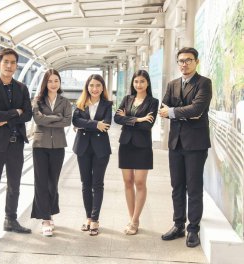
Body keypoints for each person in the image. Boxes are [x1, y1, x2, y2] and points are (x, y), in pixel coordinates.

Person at [159, 47, 212, 248]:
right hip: (176, 143)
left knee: (194, 187)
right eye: (181, 60)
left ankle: (193, 229)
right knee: (177, 186)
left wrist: (173, 111)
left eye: (188, 60)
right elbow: (163, 109)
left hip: (196, 145)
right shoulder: (172, 84)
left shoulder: (204, 83)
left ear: (196, 62)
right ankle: (178, 224)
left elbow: (198, 109)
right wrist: (183, 112)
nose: (184, 64)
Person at [0, 48, 33, 245]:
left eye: (13, 62)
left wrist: (9, 115)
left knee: (14, 186)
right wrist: (16, 112)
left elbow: (28, 115)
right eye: (6, 62)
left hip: (16, 144)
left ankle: (10, 220)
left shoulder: (22, 88)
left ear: (16, 66)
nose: (9, 66)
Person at [114, 70, 159, 235]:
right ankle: (132, 218)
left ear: (147, 83)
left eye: (142, 81)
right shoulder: (127, 99)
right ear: (133, 83)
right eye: (136, 82)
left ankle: (135, 220)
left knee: (139, 182)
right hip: (125, 144)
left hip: (142, 146)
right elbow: (116, 118)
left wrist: (129, 120)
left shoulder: (153, 102)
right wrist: (138, 119)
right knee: (127, 181)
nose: (138, 84)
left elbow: (149, 125)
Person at [30, 69, 72, 237]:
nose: (53, 84)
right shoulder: (37, 100)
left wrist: (49, 118)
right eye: (50, 81)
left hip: (58, 146)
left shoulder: (65, 102)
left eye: (56, 81)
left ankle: (50, 212)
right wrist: (57, 118)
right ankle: (45, 220)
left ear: (59, 83)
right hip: (40, 145)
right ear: (45, 83)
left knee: (52, 182)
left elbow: (67, 121)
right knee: (41, 182)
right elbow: (38, 119)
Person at [72, 74, 112, 236]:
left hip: (101, 149)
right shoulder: (80, 103)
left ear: (102, 88)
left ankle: (95, 219)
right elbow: (75, 122)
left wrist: (85, 125)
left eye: (98, 86)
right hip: (82, 148)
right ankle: (88, 218)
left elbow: (107, 124)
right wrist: (96, 124)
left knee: (98, 184)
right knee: (85, 184)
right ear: (87, 87)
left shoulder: (108, 104)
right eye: (91, 85)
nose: (94, 89)